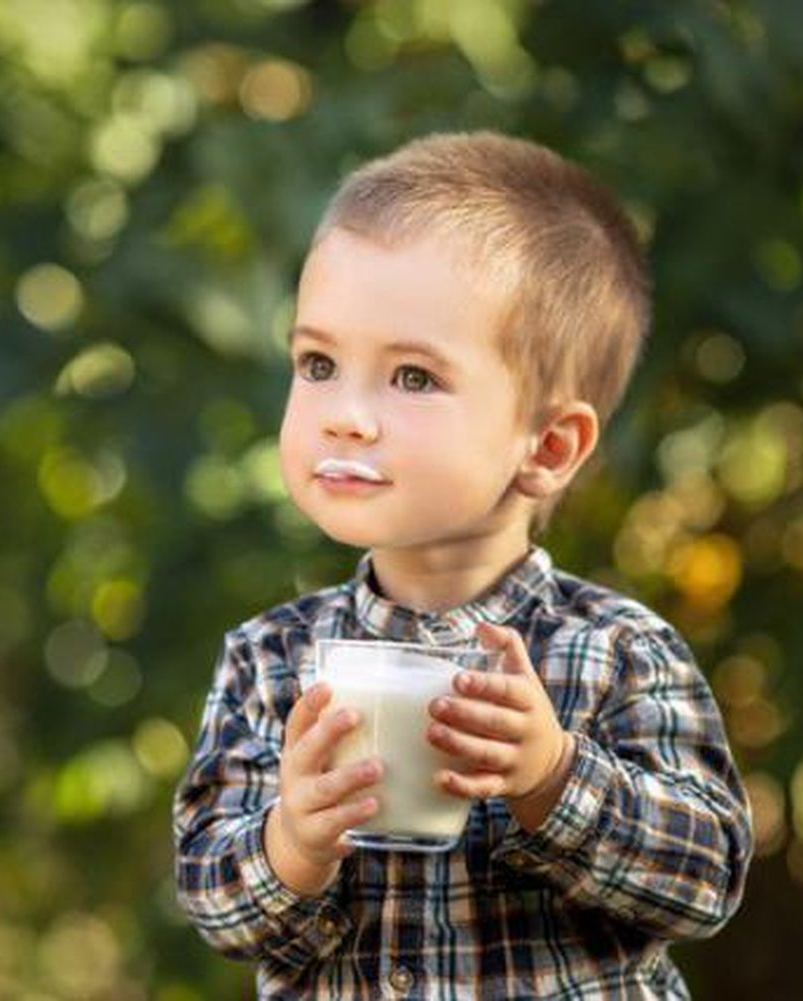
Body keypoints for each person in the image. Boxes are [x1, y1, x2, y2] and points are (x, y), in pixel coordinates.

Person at [171, 130, 753, 999]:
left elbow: (705, 879)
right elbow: (216, 903)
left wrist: (554, 776)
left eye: (412, 378)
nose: (347, 416)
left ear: (548, 446)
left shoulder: (620, 651)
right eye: (319, 363)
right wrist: (292, 840)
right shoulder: (270, 660)